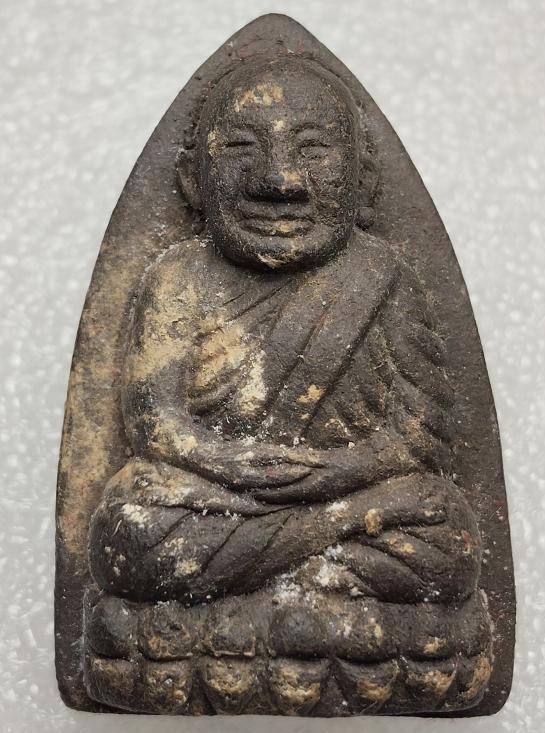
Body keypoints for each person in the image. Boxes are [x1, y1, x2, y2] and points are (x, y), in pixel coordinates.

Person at [85, 56, 492, 714]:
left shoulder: (382, 276)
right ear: (192, 180)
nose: (279, 181)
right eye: (242, 147)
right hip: (220, 494)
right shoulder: (178, 276)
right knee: (130, 524)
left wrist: (338, 475)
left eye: (313, 150)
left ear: (363, 182)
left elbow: (421, 432)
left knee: (442, 526)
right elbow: (155, 421)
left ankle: (251, 597)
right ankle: (316, 584)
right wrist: (226, 461)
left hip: (344, 495)